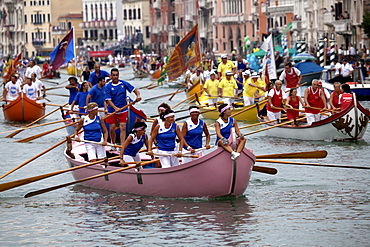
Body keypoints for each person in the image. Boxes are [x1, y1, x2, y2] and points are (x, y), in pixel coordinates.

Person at [105, 68, 141, 147]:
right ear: (111, 76)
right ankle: (113, 144)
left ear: (118, 75)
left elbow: (135, 90)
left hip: (123, 109)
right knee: (112, 128)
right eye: (113, 75)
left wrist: (138, 96)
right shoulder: (108, 87)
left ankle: (122, 145)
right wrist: (115, 108)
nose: (115, 77)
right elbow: (108, 100)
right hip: (112, 110)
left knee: (123, 127)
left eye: (116, 75)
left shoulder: (123, 84)